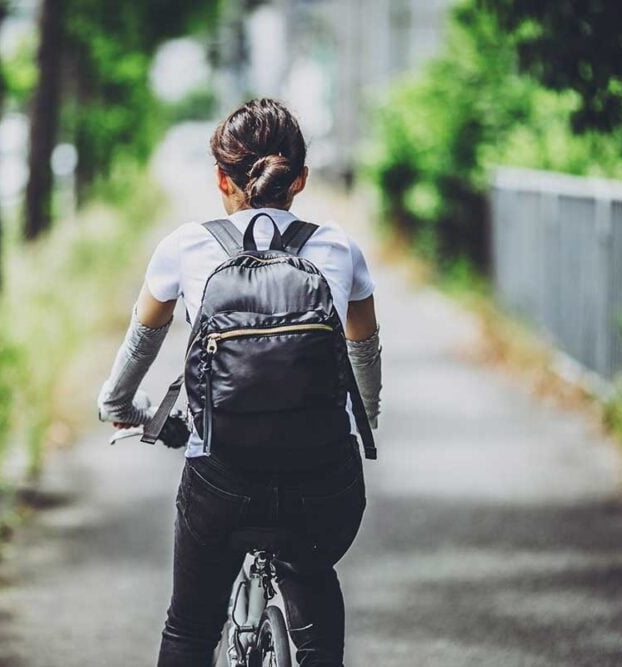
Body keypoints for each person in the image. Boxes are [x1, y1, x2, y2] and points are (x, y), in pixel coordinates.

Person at [97, 98, 382, 667]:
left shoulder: (185, 247)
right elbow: (363, 350)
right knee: (313, 579)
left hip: (222, 479)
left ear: (222, 180)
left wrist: (119, 403)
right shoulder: (338, 247)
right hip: (322, 483)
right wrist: (364, 417)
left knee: (189, 628)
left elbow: (142, 341)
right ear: (299, 179)